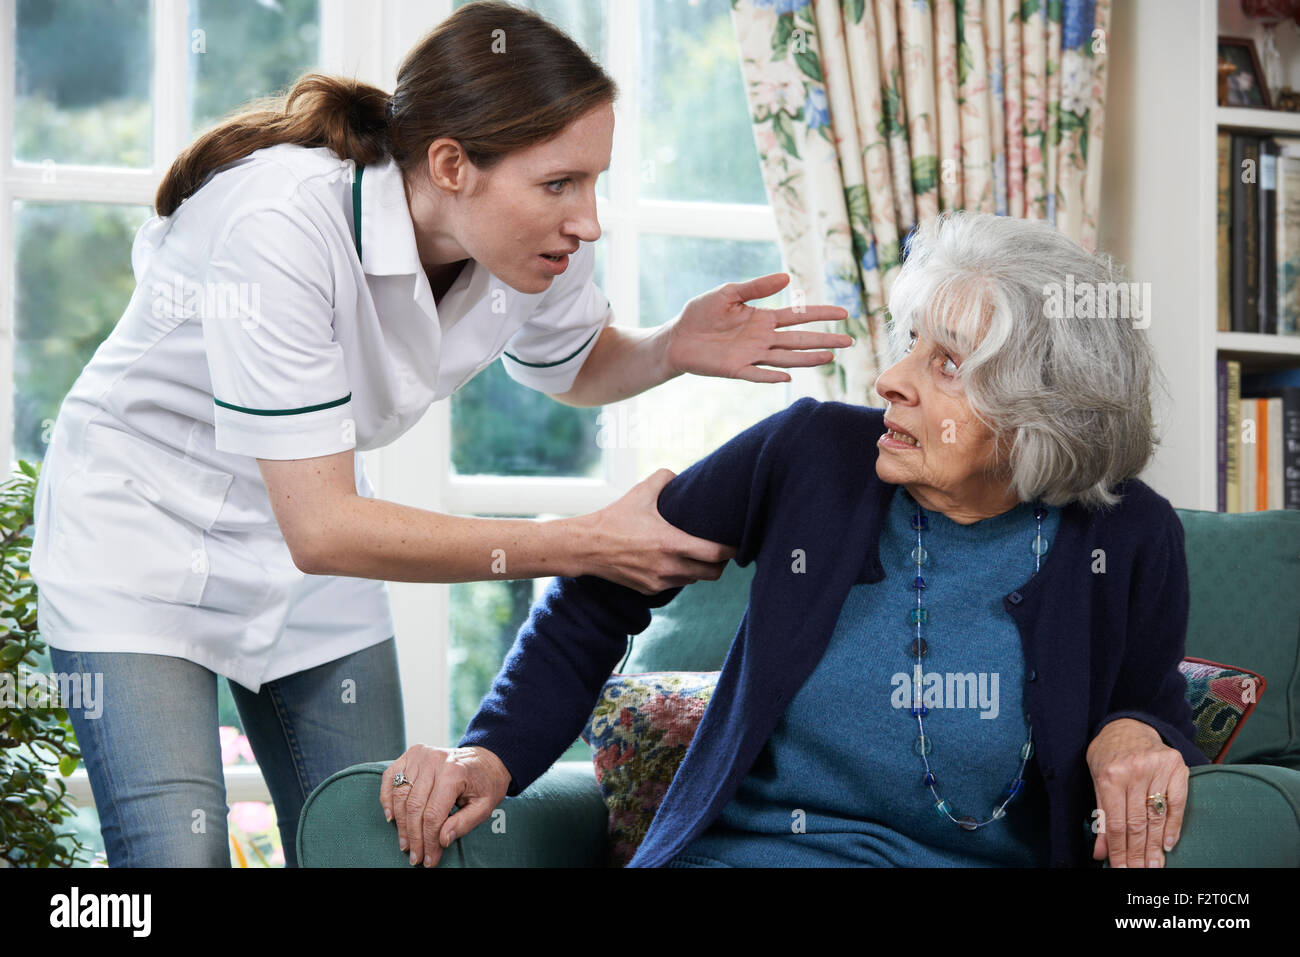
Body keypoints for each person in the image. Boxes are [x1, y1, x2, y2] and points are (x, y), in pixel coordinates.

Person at [28, 1, 850, 868]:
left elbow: (572, 365)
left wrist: (670, 347)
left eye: (595, 181)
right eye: (561, 183)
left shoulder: (528, 245)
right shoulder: (280, 223)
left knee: (377, 847)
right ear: (452, 164)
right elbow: (325, 527)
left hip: (308, 538)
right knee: (175, 859)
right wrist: (586, 544)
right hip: (143, 541)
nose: (590, 218)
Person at [380, 209, 1211, 869]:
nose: (892, 378)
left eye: (947, 363)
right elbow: (599, 587)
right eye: (910, 341)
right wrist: (490, 752)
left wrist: (1138, 730)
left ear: (1043, 410)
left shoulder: (1129, 537)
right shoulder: (812, 455)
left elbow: (1150, 709)